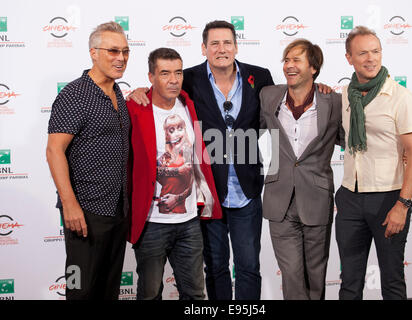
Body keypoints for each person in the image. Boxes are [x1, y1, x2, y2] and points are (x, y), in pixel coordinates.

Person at [128, 20, 274, 300]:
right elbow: (162, 93)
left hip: (247, 191)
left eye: (227, 42)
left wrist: (322, 88)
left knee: (249, 267)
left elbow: (281, 106)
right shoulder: (190, 78)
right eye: (215, 43)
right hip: (208, 193)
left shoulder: (260, 76)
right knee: (215, 267)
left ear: (236, 46)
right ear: (204, 48)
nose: (222, 49)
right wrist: (138, 93)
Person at [335, 26, 412, 300]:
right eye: (362, 53)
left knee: (392, 281)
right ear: (349, 57)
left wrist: (403, 204)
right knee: (349, 283)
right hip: (350, 197)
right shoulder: (345, 96)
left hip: (388, 200)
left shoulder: (400, 97)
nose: (371, 58)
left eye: (376, 51)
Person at [126, 47, 222, 300]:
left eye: (178, 72)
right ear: (151, 77)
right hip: (152, 223)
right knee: (149, 294)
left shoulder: (188, 104)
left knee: (194, 295)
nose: (173, 80)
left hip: (189, 221)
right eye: (165, 73)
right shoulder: (135, 109)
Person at [46, 21, 130, 300]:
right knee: (80, 289)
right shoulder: (75, 94)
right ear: (93, 53)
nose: (121, 58)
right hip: (84, 214)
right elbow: (54, 150)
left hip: (117, 211)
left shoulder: (118, 92)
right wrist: (69, 206)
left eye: (125, 51)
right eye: (113, 51)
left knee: (109, 290)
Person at [259, 39, 343, 299]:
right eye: (286, 60)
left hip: (316, 198)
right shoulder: (268, 95)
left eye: (296, 60)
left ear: (314, 68)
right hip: (278, 200)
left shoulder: (334, 102)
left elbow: (352, 141)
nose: (289, 65)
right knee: (292, 274)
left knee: (315, 274)